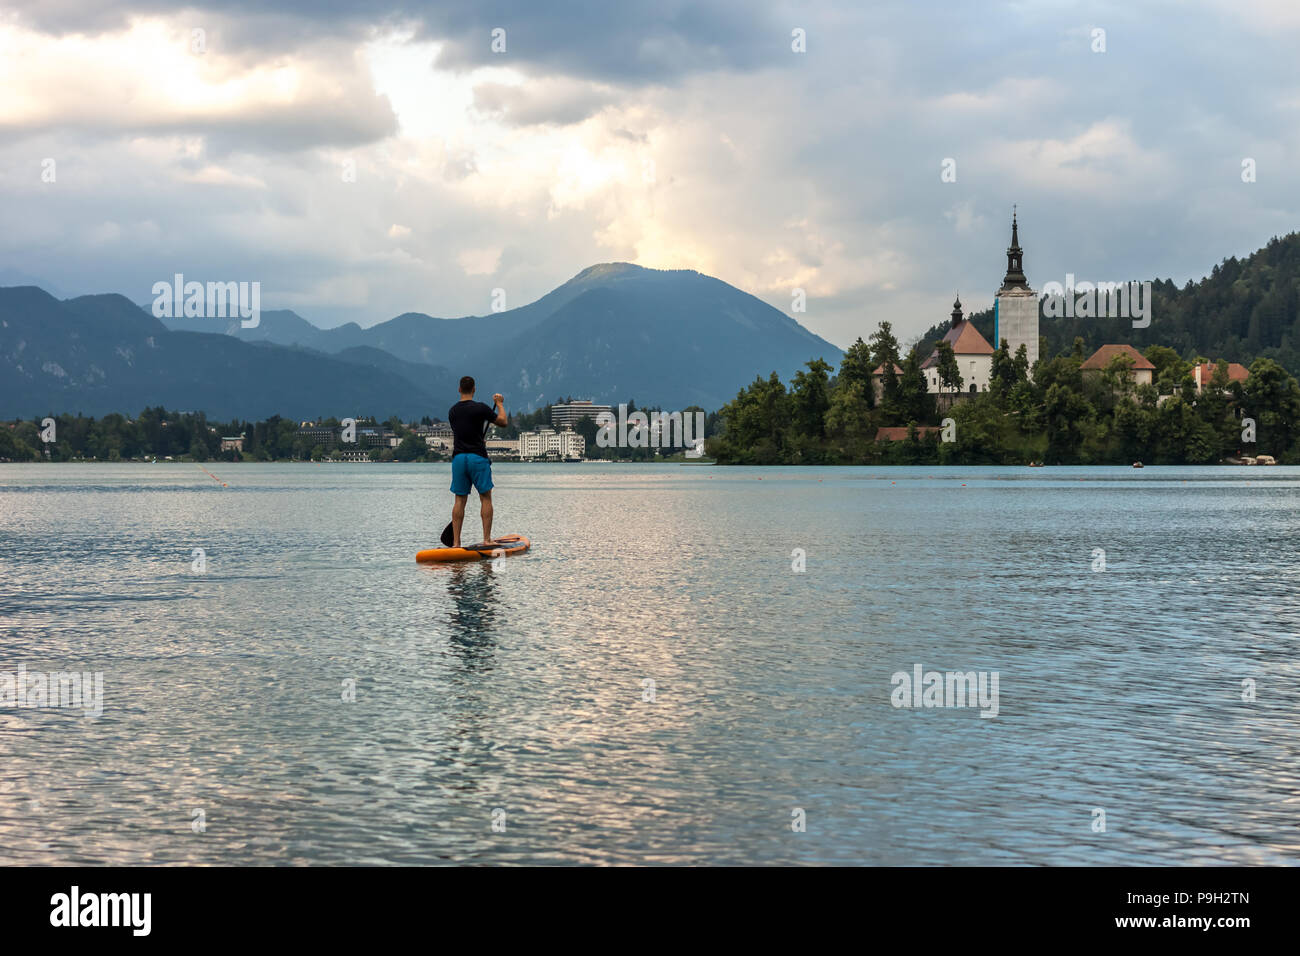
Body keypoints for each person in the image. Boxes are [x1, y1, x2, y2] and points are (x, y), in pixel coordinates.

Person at [448, 376, 507, 548]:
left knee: (459, 500)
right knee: (485, 498)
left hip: (459, 458)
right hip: (477, 458)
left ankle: (456, 543)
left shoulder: (452, 411)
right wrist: (500, 403)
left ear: (459, 389)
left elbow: (464, 431)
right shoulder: (481, 408)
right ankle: (487, 539)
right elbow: (503, 422)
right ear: (474, 389)